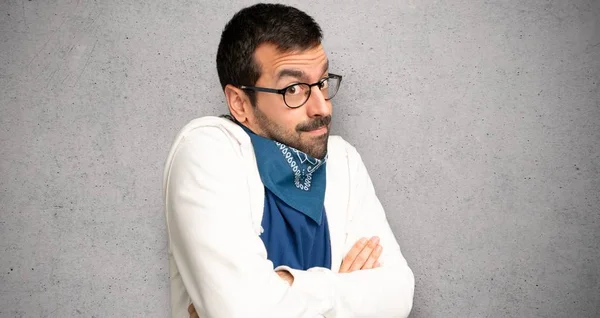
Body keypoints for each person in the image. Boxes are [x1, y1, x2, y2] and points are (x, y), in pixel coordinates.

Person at [163, 3, 415, 317]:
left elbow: (397, 294)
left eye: (322, 82)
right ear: (241, 104)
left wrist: (288, 286)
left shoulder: (342, 161)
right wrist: (343, 288)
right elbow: (244, 312)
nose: (322, 108)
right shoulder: (206, 149)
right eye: (294, 89)